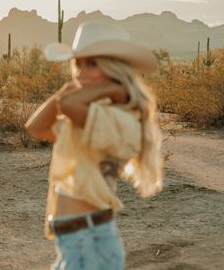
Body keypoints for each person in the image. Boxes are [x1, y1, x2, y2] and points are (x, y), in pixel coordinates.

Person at [24, 21, 164, 269]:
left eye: (91, 64)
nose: (80, 73)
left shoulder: (119, 121)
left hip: (90, 242)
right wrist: (67, 89)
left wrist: (109, 88)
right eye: (77, 63)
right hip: (74, 242)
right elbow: (36, 127)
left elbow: (68, 107)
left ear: (114, 69)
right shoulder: (90, 118)